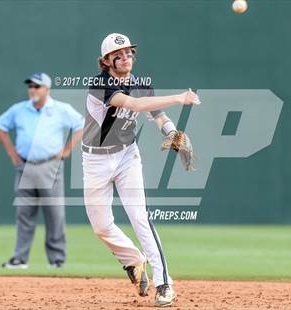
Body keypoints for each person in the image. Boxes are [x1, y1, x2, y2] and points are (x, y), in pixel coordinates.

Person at [82, 33, 200, 307]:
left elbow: (156, 114)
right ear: (106, 61)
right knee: (101, 227)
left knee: (140, 218)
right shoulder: (100, 85)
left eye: (129, 52)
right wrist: (179, 97)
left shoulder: (140, 83)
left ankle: (164, 285)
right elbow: (134, 105)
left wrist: (172, 131)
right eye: (118, 54)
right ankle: (133, 260)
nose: (126, 57)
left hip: (126, 158)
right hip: (95, 161)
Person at [0, 72, 84, 269]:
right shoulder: (19, 110)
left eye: (37, 86)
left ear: (47, 89)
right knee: (24, 214)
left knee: (54, 213)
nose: (32, 90)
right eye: (30, 86)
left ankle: (57, 259)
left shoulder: (60, 109)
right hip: (24, 165)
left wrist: (68, 149)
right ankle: (20, 258)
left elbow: (81, 125)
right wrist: (12, 153)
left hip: (49, 165)